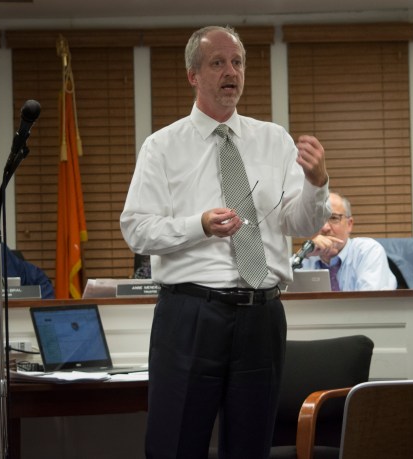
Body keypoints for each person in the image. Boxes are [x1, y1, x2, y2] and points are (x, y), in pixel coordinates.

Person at [119, 26, 330, 459]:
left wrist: (317, 184)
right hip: (190, 315)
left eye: (237, 63)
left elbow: (302, 221)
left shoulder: (274, 140)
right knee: (175, 445)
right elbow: (136, 229)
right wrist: (198, 225)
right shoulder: (162, 147)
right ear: (193, 75)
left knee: (252, 448)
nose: (230, 72)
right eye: (217, 63)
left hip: (262, 316)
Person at [297, 192, 397, 291]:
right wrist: (303, 254)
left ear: (349, 224)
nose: (325, 227)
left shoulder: (368, 251)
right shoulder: (305, 258)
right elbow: (282, 290)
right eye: (319, 219)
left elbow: (370, 303)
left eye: (334, 218)